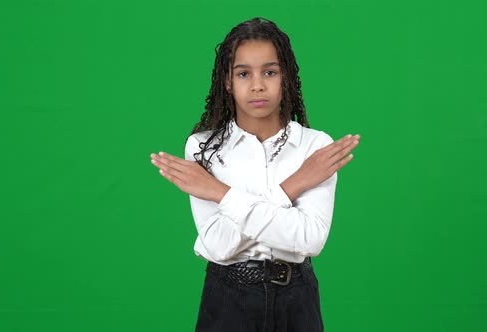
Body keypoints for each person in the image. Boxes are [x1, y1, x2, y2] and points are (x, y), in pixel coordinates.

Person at [150, 17, 361, 331]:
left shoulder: (315, 146)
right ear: (227, 81)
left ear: (285, 77)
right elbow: (219, 245)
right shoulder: (203, 147)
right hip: (226, 299)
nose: (258, 84)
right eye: (244, 73)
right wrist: (295, 184)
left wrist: (220, 193)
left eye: (270, 72)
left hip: (296, 299)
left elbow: (310, 238)